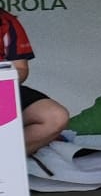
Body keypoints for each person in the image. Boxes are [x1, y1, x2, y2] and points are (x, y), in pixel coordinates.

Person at [0, 9, 70, 156]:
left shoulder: (5, 20)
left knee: (54, 117)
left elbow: (20, 68)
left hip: (2, 89)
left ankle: (6, 160)